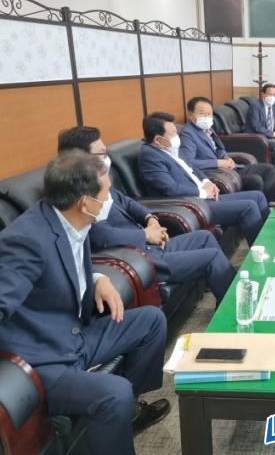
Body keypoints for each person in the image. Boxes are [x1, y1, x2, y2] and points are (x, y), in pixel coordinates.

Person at [0, 150, 169, 455]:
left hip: (75, 335)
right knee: (114, 392)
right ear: (85, 202)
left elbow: (65, 265)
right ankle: (119, 409)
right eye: (105, 194)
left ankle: (129, 412)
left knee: (151, 321)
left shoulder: (70, 220)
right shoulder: (26, 240)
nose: (109, 201)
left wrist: (97, 278)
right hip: (44, 359)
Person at [58, 126, 234, 307]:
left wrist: (151, 219)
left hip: (151, 246)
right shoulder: (80, 197)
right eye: (102, 153)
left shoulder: (99, 180)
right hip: (139, 260)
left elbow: (127, 202)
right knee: (212, 257)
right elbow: (100, 236)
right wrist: (145, 235)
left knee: (204, 237)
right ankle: (234, 308)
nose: (106, 158)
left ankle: (223, 294)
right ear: (80, 158)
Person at [138, 112, 268, 245]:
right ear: (158, 140)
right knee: (249, 207)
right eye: (173, 134)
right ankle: (262, 249)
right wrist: (203, 192)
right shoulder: (150, 156)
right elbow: (169, 188)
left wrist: (207, 182)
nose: (177, 137)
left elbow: (193, 168)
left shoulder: (170, 148)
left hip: (205, 195)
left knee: (257, 196)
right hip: (193, 204)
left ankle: (271, 238)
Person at [179, 96, 275, 202]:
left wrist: (226, 158)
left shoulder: (206, 128)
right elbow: (188, 163)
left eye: (209, 114)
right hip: (217, 173)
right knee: (255, 180)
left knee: (269, 169)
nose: (207, 117)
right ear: (191, 115)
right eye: (202, 114)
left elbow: (218, 148)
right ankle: (262, 206)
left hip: (229, 168)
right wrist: (218, 163)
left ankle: (271, 205)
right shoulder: (188, 134)